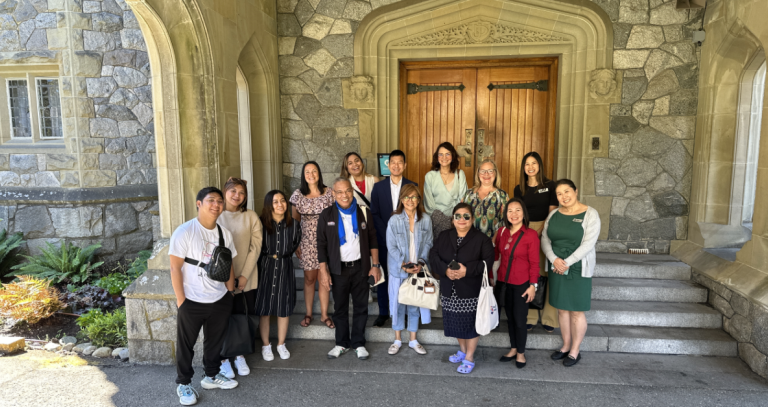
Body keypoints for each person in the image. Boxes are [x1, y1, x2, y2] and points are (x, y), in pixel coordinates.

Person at [169, 187, 238, 405]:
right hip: (192, 299)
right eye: (211, 200)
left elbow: (229, 263)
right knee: (186, 345)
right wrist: (182, 302)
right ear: (199, 203)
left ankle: (211, 376)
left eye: (219, 201)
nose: (216, 205)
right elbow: (174, 268)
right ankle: (184, 384)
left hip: (219, 298)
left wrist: (230, 291)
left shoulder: (224, 233)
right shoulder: (185, 231)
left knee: (214, 342)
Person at [318, 177, 381, 360]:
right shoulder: (327, 215)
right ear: (333, 193)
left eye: (347, 190)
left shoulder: (364, 212)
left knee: (361, 307)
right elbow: (321, 244)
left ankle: (359, 343)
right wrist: (323, 271)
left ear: (352, 191)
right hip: (339, 270)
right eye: (339, 192)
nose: (344, 195)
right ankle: (341, 343)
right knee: (340, 308)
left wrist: (375, 266)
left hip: (361, 267)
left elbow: (373, 240)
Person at [429, 203, 494, 374]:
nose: (462, 219)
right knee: (457, 322)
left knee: (471, 324)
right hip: (449, 288)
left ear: (472, 219)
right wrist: (445, 270)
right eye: (458, 216)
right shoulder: (444, 236)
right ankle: (463, 350)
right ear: (453, 219)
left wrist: (467, 270)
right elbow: (433, 255)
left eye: (466, 216)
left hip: (471, 290)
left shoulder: (482, 239)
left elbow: (488, 261)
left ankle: (469, 356)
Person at [542, 179, 600, 367]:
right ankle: (565, 346)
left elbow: (588, 243)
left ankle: (575, 350)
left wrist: (566, 262)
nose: (564, 196)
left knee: (576, 311)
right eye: (559, 194)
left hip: (577, 267)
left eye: (567, 192)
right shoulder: (554, 214)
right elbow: (545, 239)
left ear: (575, 191)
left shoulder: (590, 214)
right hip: (557, 266)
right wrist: (554, 259)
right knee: (562, 309)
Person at [216, 177, 263, 379]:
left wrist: (243, 276)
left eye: (241, 192)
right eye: (233, 191)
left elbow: (256, 247)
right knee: (221, 318)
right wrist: (227, 278)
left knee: (244, 316)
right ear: (224, 191)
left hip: (247, 277)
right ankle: (223, 358)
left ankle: (240, 355)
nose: (237, 195)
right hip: (219, 279)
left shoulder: (251, 216)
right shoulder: (215, 215)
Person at [370, 149, 417, 327]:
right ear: (388, 165)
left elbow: (415, 212)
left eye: (400, 162)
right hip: (384, 241)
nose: (396, 165)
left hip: (407, 242)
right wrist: (388, 235)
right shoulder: (378, 187)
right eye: (393, 162)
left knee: (405, 276)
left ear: (404, 165)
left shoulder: (412, 185)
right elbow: (374, 214)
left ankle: (404, 311)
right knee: (385, 276)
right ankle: (384, 312)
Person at [514, 152, 559, 333]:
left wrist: (540, 231)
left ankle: (549, 317)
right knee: (530, 273)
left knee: (546, 273)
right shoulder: (520, 188)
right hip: (525, 230)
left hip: (546, 229)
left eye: (534, 163)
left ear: (539, 165)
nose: (530, 167)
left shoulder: (550, 186)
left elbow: (553, 212)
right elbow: (518, 213)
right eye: (527, 164)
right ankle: (531, 316)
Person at [385, 184, 433, 355]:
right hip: (399, 270)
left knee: (414, 304)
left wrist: (420, 262)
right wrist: (404, 265)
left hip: (417, 269)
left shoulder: (426, 219)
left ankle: (413, 339)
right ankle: (397, 339)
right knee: (398, 304)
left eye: (414, 197)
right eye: (407, 197)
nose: (410, 200)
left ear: (419, 199)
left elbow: (428, 243)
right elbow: (391, 246)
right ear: (401, 199)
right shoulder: (394, 220)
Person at [254, 190, 302, 361]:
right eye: (275, 202)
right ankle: (266, 345)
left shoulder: (295, 225)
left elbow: (295, 242)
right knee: (265, 309)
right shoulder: (260, 224)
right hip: (266, 267)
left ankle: (281, 344)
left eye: (282, 200)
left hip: (285, 266)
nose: (280, 204)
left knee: (284, 307)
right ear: (269, 205)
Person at [493, 198, 539, 369]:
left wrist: (533, 285)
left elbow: (535, 263)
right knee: (510, 318)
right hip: (504, 282)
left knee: (520, 320)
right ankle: (513, 349)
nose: (514, 214)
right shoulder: (502, 232)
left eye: (518, 210)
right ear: (506, 214)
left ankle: (521, 353)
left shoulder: (530, 235)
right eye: (510, 211)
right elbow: (496, 255)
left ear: (524, 213)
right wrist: (492, 278)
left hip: (522, 284)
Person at [290, 162, 336, 329]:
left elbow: (335, 217)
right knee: (310, 278)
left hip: (326, 241)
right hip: (307, 241)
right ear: (304, 175)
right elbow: (295, 222)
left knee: (324, 278)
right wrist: (296, 244)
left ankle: (324, 315)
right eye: (307, 172)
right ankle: (308, 313)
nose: (311, 174)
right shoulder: (298, 195)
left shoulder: (329, 193)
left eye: (314, 171)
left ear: (319, 173)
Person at [424, 142, 468, 240]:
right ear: (437, 157)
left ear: (452, 156)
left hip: (456, 221)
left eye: (447, 154)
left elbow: (463, 200)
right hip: (436, 222)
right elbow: (429, 205)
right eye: (441, 154)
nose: (444, 157)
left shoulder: (460, 174)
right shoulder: (430, 176)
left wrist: (453, 219)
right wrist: (443, 221)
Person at [461, 158, 508, 239]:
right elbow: (461, 217)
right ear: (478, 174)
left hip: (492, 243)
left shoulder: (502, 195)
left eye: (490, 171)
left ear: (495, 173)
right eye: (482, 171)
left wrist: (494, 241)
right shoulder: (468, 194)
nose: (486, 174)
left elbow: (505, 222)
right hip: (469, 242)